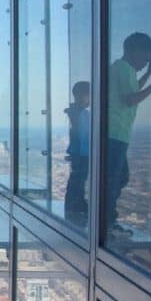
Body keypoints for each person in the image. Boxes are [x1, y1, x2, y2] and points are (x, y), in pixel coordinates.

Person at [106, 32, 151, 238]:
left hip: (116, 134)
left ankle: (107, 220)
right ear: (134, 51)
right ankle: (107, 223)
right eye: (146, 58)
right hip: (115, 134)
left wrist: (149, 74)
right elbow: (131, 99)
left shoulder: (123, 69)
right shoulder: (123, 69)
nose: (146, 62)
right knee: (115, 179)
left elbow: (132, 90)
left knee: (118, 177)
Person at [64, 81, 91, 225]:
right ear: (82, 96)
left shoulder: (79, 112)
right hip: (81, 154)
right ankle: (74, 206)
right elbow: (79, 134)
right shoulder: (79, 113)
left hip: (81, 153)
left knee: (78, 180)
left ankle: (77, 205)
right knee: (78, 181)